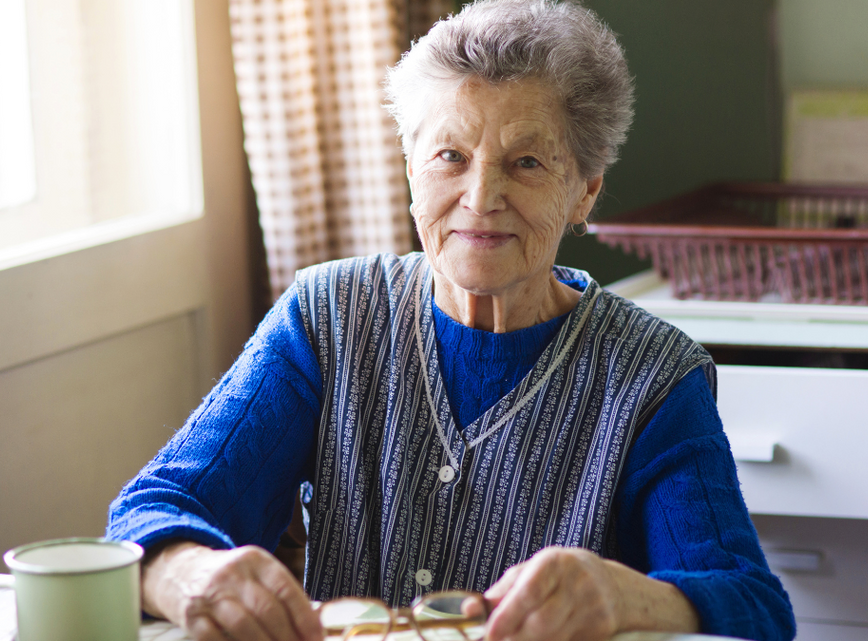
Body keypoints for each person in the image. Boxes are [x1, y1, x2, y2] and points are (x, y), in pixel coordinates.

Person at [107, 1, 796, 640]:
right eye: (450, 157)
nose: (480, 196)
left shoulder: (651, 376)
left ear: (585, 191)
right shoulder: (327, 318)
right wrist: (187, 573)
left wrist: (625, 596)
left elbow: (753, 607)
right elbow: (149, 510)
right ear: (411, 170)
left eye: (525, 162)